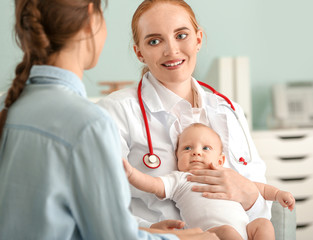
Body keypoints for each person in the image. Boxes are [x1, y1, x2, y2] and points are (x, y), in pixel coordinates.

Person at [0, 0, 219, 240]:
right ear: (91, 18)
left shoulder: (11, 107)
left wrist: (145, 231)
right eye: (154, 40)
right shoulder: (89, 124)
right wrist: (192, 238)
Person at [97, 0, 273, 235]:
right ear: (139, 52)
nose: (171, 50)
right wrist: (147, 230)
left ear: (198, 39)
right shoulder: (117, 111)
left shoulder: (229, 111)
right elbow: (99, 203)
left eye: (181, 35)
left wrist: (249, 195)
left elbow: (262, 211)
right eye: (154, 41)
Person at [123, 123, 295, 240]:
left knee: (263, 224)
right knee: (227, 231)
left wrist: (278, 194)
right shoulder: (181, 179)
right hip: (210, 234)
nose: (196, 153)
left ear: (220, 160)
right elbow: (153, 184)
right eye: (187, 148)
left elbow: (259, 189)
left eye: (206, 148)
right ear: (177, 157)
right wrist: (131, 174)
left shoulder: (228, 175)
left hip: (245, 231)